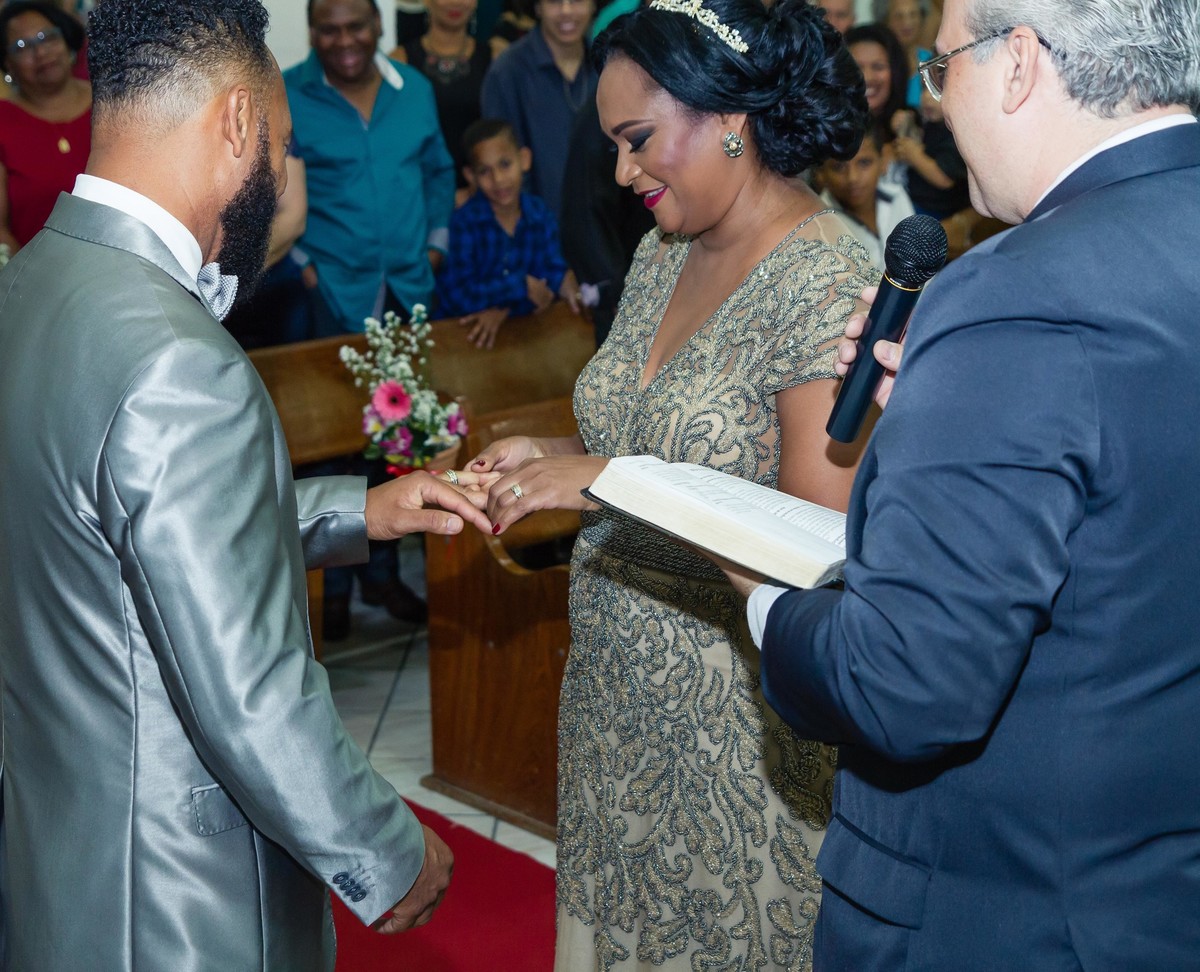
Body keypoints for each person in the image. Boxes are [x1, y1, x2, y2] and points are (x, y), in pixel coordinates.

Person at [0, 0, 498, 967]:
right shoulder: (176, 361)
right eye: (279, 142)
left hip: (62, 858)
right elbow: (249, 695)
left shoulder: (32, 286)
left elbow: (114, 538)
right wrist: (386, 853)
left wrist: (360, 509)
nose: (280, 172)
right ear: (238, 125)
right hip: (177, 897)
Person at [733, 0, 1200, 966]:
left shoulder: (1009, 293)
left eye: (942, 69)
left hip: (1003, 911)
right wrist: (950, 415)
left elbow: (905, 684)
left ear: (1019, 61)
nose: (936, 105)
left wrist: (767, 606)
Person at [464, 0, 873, 966]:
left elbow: (814, 544)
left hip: (735, 727)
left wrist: (599, 478)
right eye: (611, 145)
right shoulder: (662, 251)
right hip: (616, 705)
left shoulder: (826, 280)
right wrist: (550, 448)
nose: (622, 172)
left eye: (639, 139)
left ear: (728, 116)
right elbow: (654, 430)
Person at [287, 0, 458, 637]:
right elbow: (268, 186)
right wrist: (303, 265)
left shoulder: (412, 90)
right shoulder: (287, 94)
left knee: (396, 445)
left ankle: (382, 578)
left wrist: (436, 245)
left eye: (356, 25)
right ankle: (331, 589)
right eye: (328, 28)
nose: (344, 40)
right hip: (328, 298)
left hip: (409, 293)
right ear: (311, 32)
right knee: (329, 448)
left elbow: (439, 171)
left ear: (379, 27)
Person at [437, 118, 581, 348]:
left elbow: (548, 279)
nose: (498, 179)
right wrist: (518, 287)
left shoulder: (540, 215)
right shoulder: (465, 223)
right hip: (464, 344)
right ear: (470, 176)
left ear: (524, 159)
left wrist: (506, 308)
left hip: (521, 342)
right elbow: (458, 294)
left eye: (505, 164)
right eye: (485, 171)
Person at [480, 0, 596, 222]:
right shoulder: (507, 72)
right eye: (554, 1)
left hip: (606, 234)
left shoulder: (608, 65)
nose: (566, 11)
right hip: (534, 237)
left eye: (578, 0)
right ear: (537, 6)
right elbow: (499, 168)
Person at [0, 0, 90, 252]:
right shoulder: (3, 123)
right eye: (22, 46)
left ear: (65, 40)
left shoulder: (108, 101)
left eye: (47, 37)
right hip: (33, 279)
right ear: (7, 63)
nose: (40, 52)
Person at [392, 0, 493, 197]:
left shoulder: (497, 58)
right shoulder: (398, 63)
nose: (455, 2)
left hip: (486, 196)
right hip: (420, 198)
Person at [817, 128, 916, 269]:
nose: (853, 178)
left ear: (882, 162)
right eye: (838, 167)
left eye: (864, 163)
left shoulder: (896, 195)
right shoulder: (820, 223)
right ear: (822, 174)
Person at [844, 23, 908, 150]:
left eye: (878, 67)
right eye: (857, 67)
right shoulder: (824, 130)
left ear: (896, 72)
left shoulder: (914, 125)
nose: (867, 77)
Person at [884, 0, 931, 108]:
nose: (906, 22)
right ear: (886, 21)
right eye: (898, 16)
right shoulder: (880, 63)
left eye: (913, 14)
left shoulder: (932, 60)